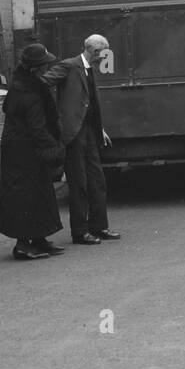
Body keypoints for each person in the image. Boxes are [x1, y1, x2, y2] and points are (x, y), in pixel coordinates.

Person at [44, 34, 120, 245]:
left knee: (97, 180)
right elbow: (44, 83)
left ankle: (99, 226)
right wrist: (56, 119)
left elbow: (90, 102)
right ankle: (80, 231)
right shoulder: (69, 66)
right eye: (103, 53)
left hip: (89, 132)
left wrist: (100, 128)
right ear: (95, 52)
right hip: (74, 134)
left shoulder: (89, 69)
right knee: (79, 183)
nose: (104, 57)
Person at [0, 43, 67, 260]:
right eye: (45, 65)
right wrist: (54, 147)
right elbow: (37, 128)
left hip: (16, 150)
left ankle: (38, 239)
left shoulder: (18, 87)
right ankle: (23, 245)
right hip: (27, 152)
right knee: (28, 196)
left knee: (36, 193)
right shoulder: (32, 94)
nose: (47, 68)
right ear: (37, 68)